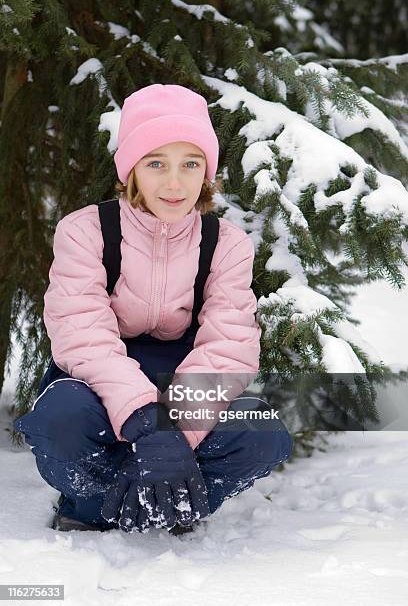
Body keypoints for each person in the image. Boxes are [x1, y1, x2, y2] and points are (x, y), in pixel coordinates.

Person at [13, 84, 293, 536]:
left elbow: (228, 346)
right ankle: (95, 505)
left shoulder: (225, 244)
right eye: (156, 163)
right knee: (60, 416)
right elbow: (83, 337)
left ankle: (174, 500)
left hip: (183, 390)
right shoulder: (86, 232)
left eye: (191, 163)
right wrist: (148, 424)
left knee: (262, 431)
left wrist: (175, 430)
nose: (175, 182)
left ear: (207, 172)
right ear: (131, 170)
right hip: (97, 389)